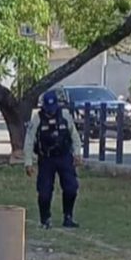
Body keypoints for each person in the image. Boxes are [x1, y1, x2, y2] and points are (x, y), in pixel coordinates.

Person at [24, 90, 84, 229]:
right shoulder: (37, 119)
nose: (51, 111)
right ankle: (45, 219)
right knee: (44, 192)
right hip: (46, 159)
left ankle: (68, 217)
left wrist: (77, 154)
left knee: (71, 188)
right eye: (48, 108)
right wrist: (28, 162)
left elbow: (74, 136)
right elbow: (29, 141)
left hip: (64, 157)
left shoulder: (65, 115)